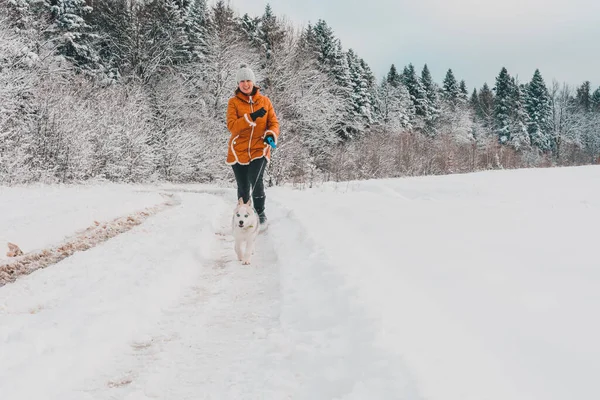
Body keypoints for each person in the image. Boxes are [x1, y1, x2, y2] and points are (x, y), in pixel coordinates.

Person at [226, 64, 280, 225]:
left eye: (248, 80)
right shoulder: (233, 103)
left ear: (253, 82)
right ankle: (243, 215)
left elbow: (274, 123)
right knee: (243, 186)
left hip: (259, 148)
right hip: (238, 151)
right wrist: (251, 117)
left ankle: (260, 212)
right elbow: (232, 126)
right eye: (242, 81)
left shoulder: (265, 101)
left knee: (255, 179)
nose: (245, 84)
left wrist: (270, 135)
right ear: (238, 84)